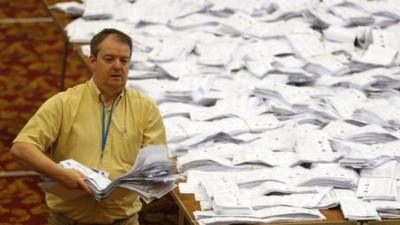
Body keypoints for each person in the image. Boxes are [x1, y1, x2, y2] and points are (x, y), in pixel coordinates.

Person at [10, 28, 166, 225]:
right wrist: (59, 174)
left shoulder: (146, 108)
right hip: (68, 220)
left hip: (122, 220)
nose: (118, 66)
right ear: (93, 61)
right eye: (109, 59)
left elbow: (157, 166)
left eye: (124, 61)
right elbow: (22, 147)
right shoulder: (65, 103)